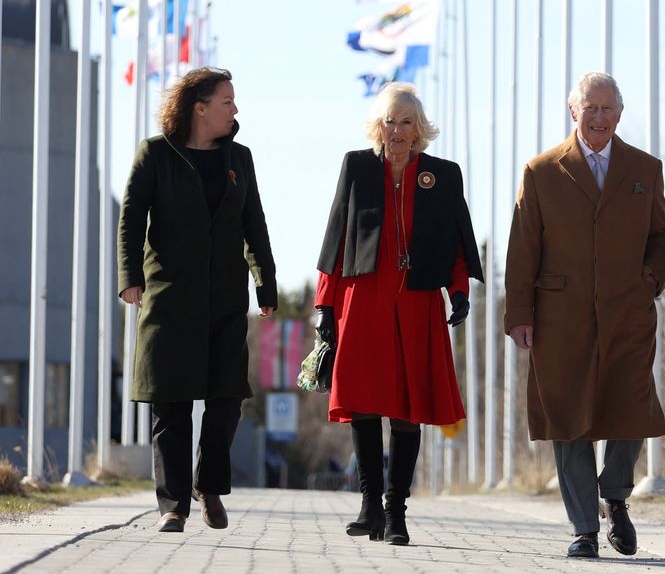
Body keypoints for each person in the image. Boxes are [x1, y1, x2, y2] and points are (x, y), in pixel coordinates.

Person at [505, 72, 665, 558]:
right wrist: (519, 313)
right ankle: (584, 529)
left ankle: (615, 495)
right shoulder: (541, 171)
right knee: (569, 419)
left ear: (619, 114)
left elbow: (662, 237)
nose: (599, 117)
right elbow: (522, 249)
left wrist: (649, 280)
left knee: (631, 409)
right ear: (572, 111)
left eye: (607, 109)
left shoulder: (645, 168)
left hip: (628, 313)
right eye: (590, 108)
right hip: (560, 316)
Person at [313, 83, 483, 546]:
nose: (397, 130)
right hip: (362, 300)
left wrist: (459, 290)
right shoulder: (357, 166)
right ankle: (369, 505)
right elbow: (335, 240)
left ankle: (396, 513)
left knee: (408, 410)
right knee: (365, 405)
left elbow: (455, 239)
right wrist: (325, 307)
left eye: (406, 121)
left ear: (419, 128)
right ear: (379, 125)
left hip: (416, 303)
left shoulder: (442, 175)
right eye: (390, 120)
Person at [117, 67, 278, 533]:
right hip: (168, 299)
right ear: (199, 107)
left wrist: (264, 283)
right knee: (171, 403)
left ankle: (207, 485)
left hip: (226, 297)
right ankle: (172, 505)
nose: (235, 109)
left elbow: (255, 224)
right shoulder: (155, 155)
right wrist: (130, 278)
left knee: (227, 396)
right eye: (227, 101)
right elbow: (131, 220)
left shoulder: (239, 158)